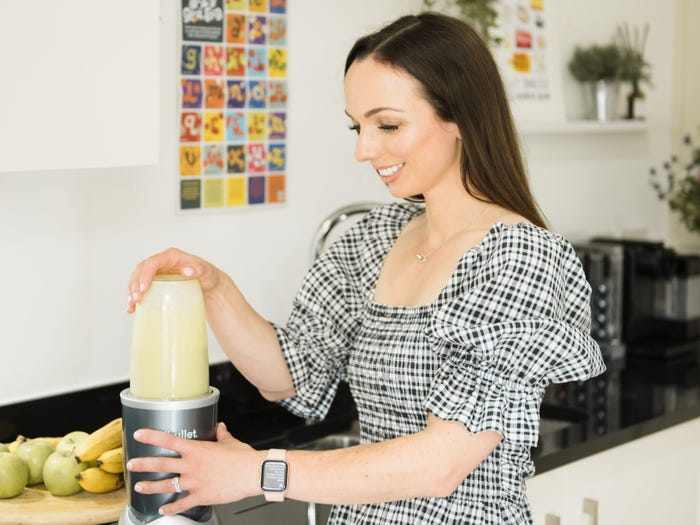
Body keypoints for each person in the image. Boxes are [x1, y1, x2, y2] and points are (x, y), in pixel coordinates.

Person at [126, 12, 605, 524]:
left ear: (460, 117)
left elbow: (442, 463)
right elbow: (289, 375)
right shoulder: (372, 238)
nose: (363, 149)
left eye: (388, 125)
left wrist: (257, 471)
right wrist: (214, 287)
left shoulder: (519, 256)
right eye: (358, 127)